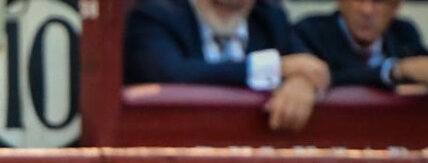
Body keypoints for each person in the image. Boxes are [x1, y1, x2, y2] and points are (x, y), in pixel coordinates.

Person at [124, 0, 330, 132]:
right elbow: (171, 72)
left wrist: (302, 83)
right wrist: (274, 67)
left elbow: (310, 66)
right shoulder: (155, 15)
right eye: (218, 3)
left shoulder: (269, 16)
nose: (231, 5)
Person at [296, 0, 428, 95]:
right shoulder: (311, 31)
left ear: (396, 6)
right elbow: (335, 77)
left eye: (379, 1)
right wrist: (398, 70)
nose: (367, 10)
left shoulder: (403, 34)